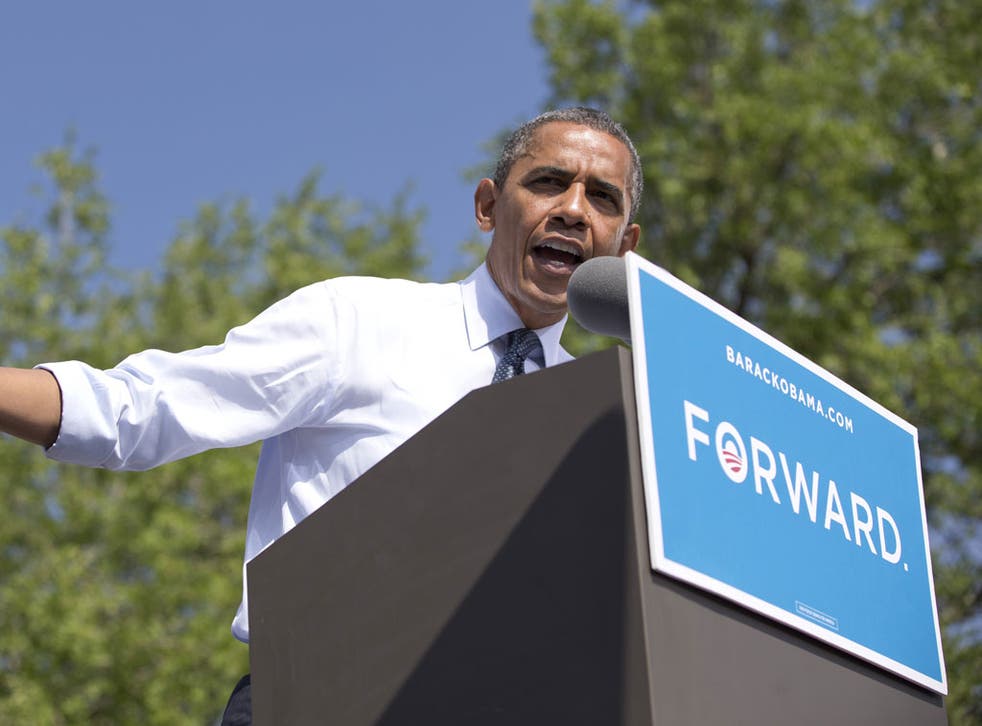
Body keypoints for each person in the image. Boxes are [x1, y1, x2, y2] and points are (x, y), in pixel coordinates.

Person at [0, 106, 642, 724]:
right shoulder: (359, 322)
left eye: (602, 198)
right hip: (319, 699)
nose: (573, 211)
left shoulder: (610, 420)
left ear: (624, 245)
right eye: (549, 183)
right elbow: (143, 408)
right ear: (487, 206)